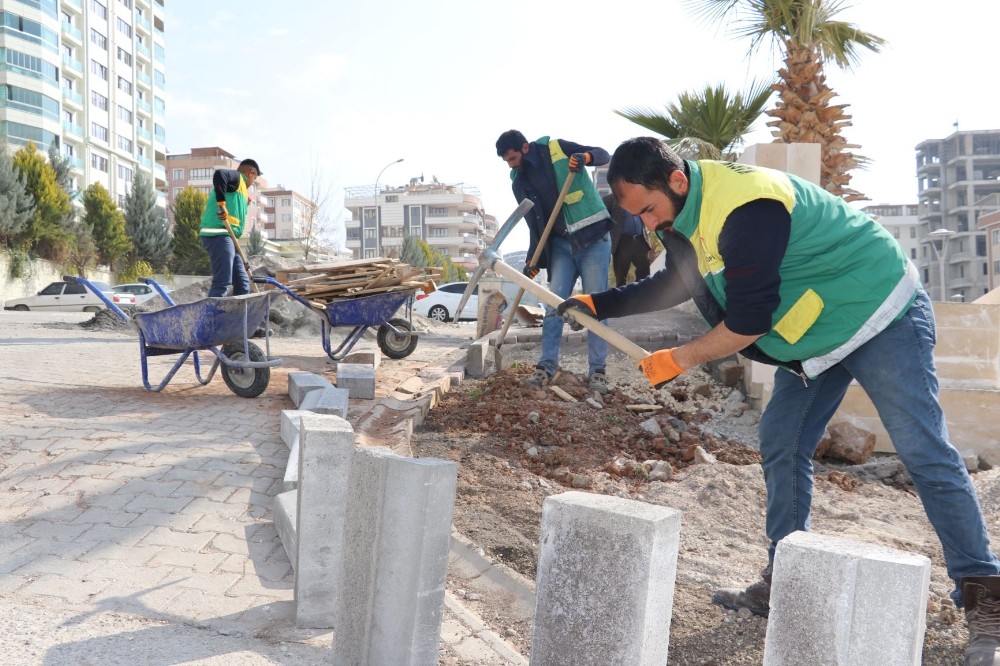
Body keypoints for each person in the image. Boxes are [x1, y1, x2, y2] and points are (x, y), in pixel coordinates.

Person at [557, 136, 1000, 663]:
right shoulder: (679, 219)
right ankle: (786, 578)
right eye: (639, 218)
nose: (648, 227)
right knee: (781, 443)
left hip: (879, 310)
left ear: (677, 181)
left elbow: (746, 322)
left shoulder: (748, 206)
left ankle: (985, 597)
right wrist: (599, 304)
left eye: (649, 211)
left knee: (923, 451)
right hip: (815, 334)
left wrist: (679, 359)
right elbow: (677, 285)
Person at [495, 129, 614, 394]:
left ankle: (598, 372)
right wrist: (533, 257)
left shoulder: (557, 150)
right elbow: (535, 225)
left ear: (525, 148)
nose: (511, 164)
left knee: (596, 307)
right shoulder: (518, 181)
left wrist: (584, 157)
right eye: (506, 161)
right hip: (560, 246)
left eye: (512, 158)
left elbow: (603, 155)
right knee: (553, 306)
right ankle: (546, 367)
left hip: (592, 238)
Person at [199, 158, 262, 298]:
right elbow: (220, 174)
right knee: (222, 281)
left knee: (243, 284)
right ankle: (213, 318)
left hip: (230, 238)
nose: (253, 183)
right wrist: (221, 204)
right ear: (250, 172)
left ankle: (238, 318)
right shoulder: (238, 178)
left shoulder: (241, 192)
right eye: (255, 178)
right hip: (218, 233)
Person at [604, 192, 653, 286]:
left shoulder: (639, 196)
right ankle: (624, 300)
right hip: (622, 241)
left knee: (645, 274)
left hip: (640, 239)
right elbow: (602, 217)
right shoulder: (610, 199)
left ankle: (643, 297)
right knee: (621, 277)